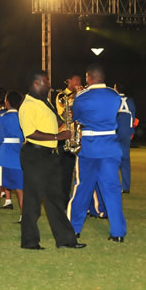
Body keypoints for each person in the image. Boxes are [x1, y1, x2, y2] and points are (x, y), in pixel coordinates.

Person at [18, 70, 85, 250]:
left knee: (55, 199)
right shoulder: (28, 105)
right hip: (34, 155)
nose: (49, 85)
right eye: (46, 82)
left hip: (49, 155)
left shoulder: (44, 102)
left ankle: (66, 240)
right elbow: (30, 133)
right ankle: (30, 242)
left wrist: (66, 121)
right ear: (37, 83)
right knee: (32, 201)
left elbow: (53, 123)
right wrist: (58, 136)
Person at [67, 64, 127, 242]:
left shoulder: (82, 97)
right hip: (110, 147)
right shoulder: (114, 95)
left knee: (82, 188)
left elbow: (75, 116)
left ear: (88, 78)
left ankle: (74, 228)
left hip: (90, 148)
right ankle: (117, 233)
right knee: (112, 190)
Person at [0, 91, 25, 222]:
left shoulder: (2, 117)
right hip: (18, 153)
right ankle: (23, 215)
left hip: (4, 154)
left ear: (7, 103)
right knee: (20, 187)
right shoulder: (23, 117)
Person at [55, 73, 84, 205]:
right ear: (69, 81)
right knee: (65, 171)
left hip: (78, 136)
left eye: (80, 80)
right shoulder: (62, 96)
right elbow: (63, 115)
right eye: (76, 80)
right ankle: (63, 199)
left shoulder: (81, 94)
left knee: (80, 170)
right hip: (65, 135)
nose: (78, 82)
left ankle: (79, 199)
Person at [114, 82, 136, 193]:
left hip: (115, 133)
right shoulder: (130, 102)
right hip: (127, 133)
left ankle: (114, 185)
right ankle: (126, 187)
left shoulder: (114, 100)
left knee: (113, 160)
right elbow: (134, 118)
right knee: (125, 160)